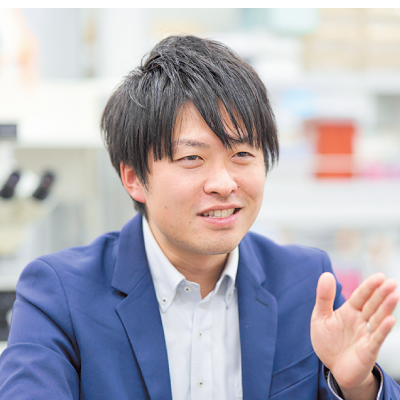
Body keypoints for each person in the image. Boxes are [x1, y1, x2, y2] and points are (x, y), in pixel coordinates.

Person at [0, 35, 399, 400]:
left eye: (242, 154)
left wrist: (358, 387)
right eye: (192, 158)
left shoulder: (307, 283)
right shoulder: (60, 294)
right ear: (134, 178)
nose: (224, 183)